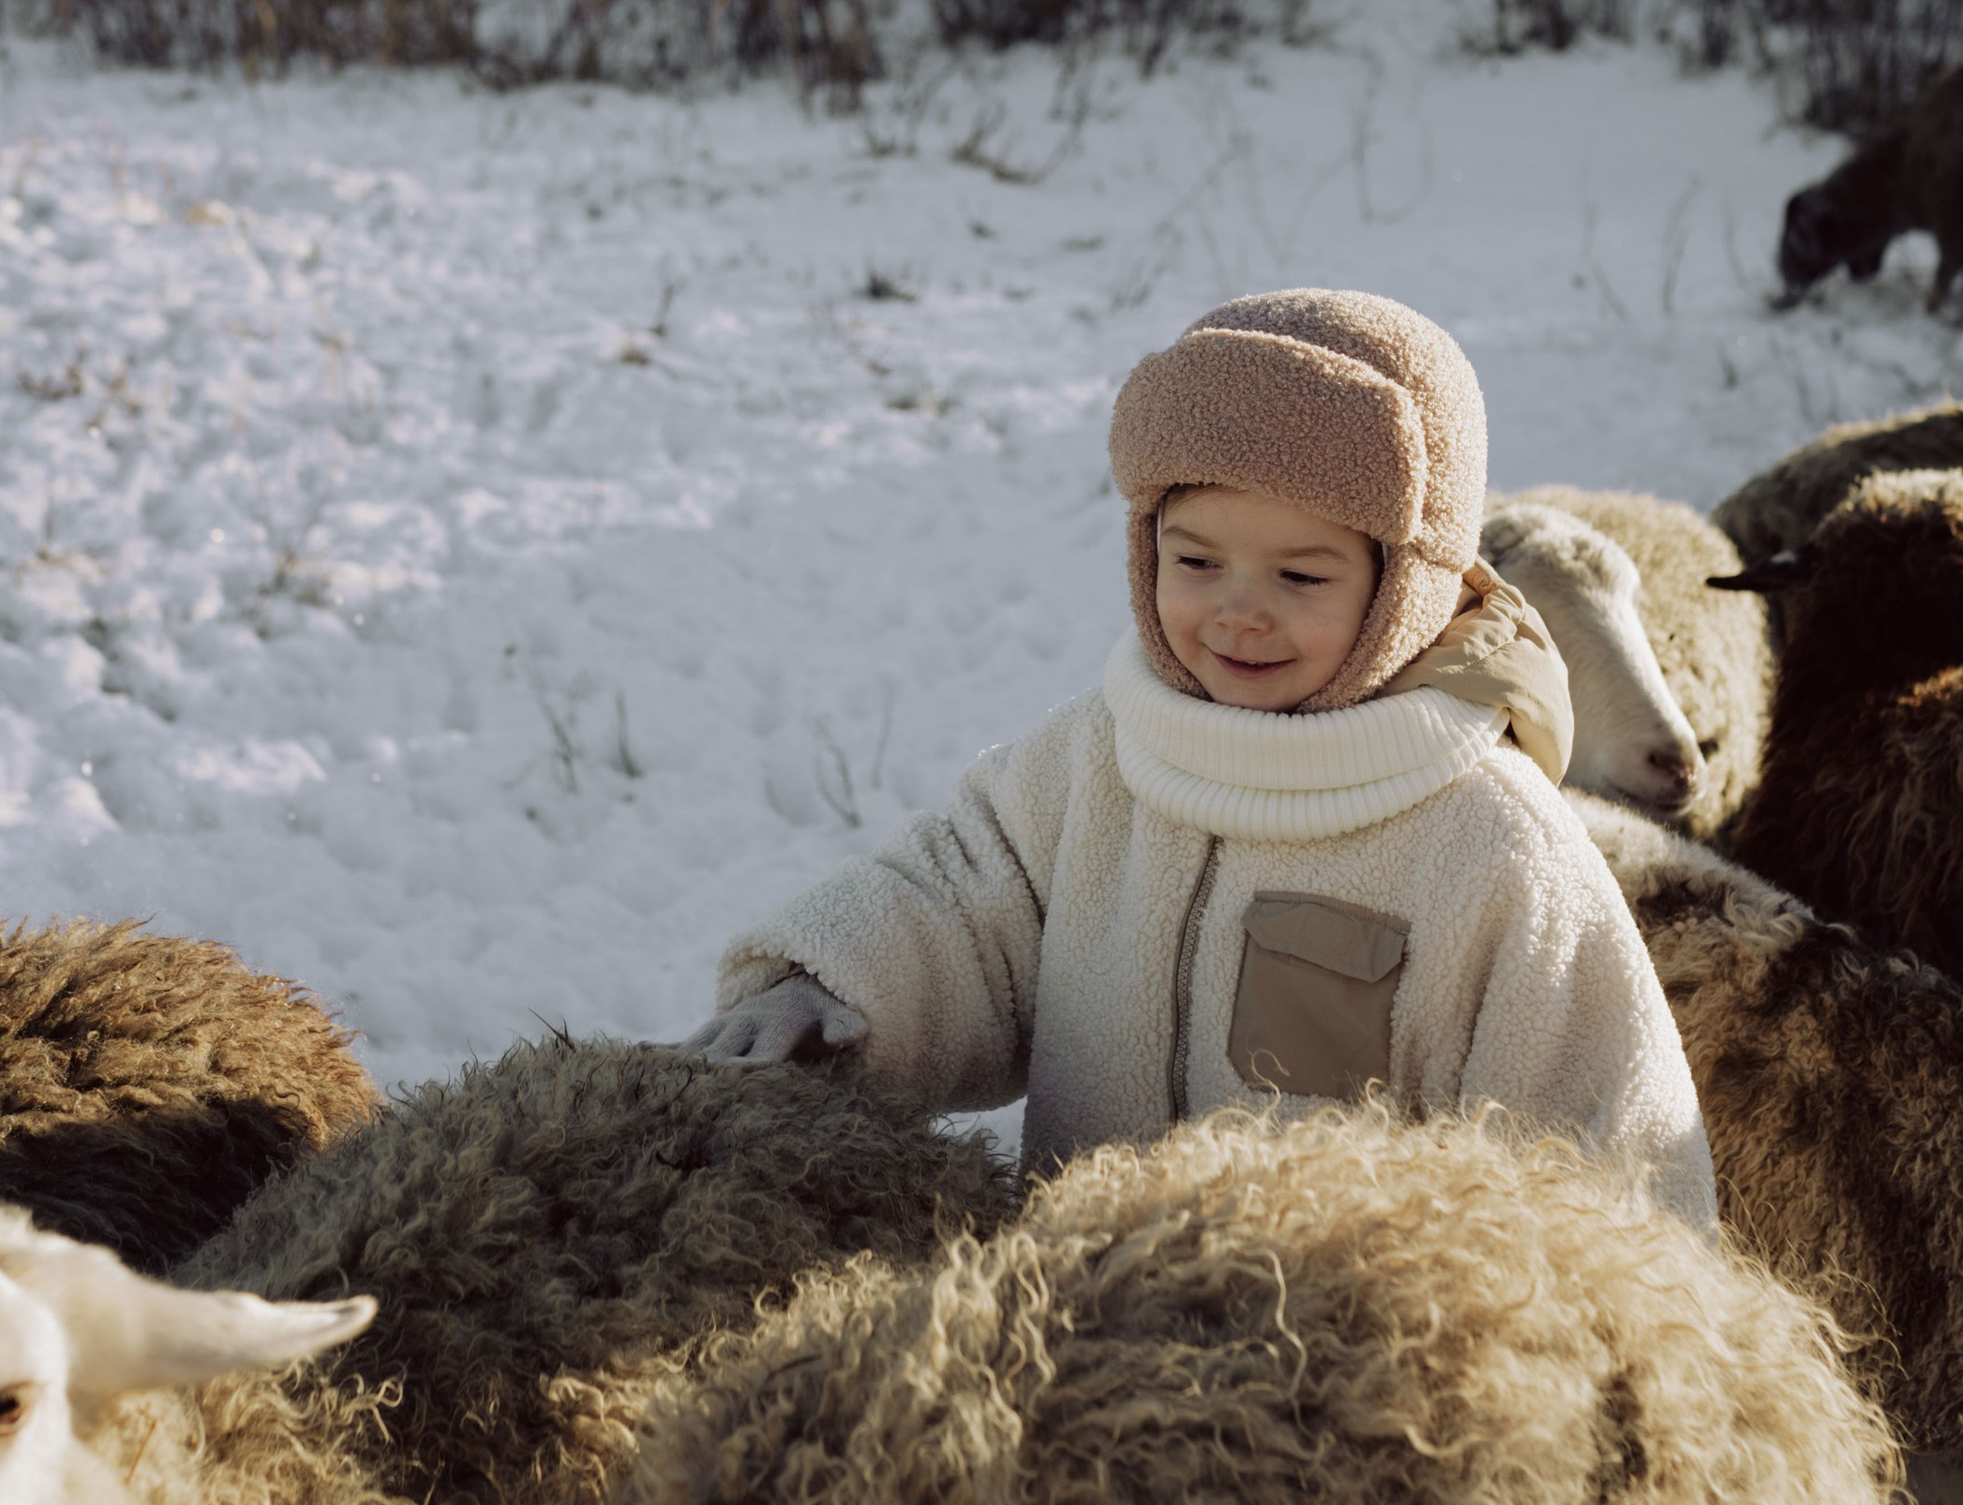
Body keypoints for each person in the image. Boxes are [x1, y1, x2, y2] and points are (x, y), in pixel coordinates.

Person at [687, 286, 1715, 1225]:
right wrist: (833, 989)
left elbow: (1607, 1149)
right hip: (1074, 1344)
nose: (1238, 613)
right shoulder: (1104, 755)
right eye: (1195, 561)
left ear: (1406, 590)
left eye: (1301, 577)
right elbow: (966, 902)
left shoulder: (1483, 844)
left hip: (1344, 1389)